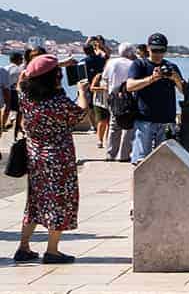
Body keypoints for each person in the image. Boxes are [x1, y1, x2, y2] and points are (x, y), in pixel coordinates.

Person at [13, 55, 89, 264]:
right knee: (60, 202)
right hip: (59, 158)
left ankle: (23, 246)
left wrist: (52, 65)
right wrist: (82, 92)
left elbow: (23, 76)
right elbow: (80, 112)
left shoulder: (26, 96)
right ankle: (52, 250)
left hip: (35, 157)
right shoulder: (57, 102)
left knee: (35, 202)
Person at [124, 33, 187, 164]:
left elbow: (184, 92)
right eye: (155, 50)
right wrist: (152, 79)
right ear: (148, 48)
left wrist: (176, 78)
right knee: (141, 162)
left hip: (167, 120)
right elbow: (129, 86)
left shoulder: (172, 67)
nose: (158, 54)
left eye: (161, 50)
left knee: (165, 163)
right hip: (144, 120)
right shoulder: (139, 65)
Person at [101, 42, 138, 162]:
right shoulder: (132, 64)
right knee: (128, 126)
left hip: (113, 96)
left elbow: (105, 79)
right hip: (128, 97)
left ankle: (111, 153)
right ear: (131, 52)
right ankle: (124, 154)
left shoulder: (111, 62)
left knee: (114, 125)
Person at [0, 51, 21, 140]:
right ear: (18, 60)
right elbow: (7, 88)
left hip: (7, 91)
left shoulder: (5, 68)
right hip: (14, 92)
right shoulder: (18, 69)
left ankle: (4, 124)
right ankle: (6, 125)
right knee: (18, 111)